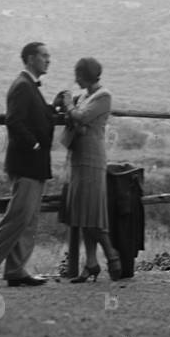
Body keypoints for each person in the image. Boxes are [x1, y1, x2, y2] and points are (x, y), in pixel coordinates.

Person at [0, 42, 56, 288]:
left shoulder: (29, 87)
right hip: (27, 162)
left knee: (29, 219)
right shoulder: (22, 86)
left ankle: (16, 270)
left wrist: (53, 107)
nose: (48, 60)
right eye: (44, 56)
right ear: (30, 59)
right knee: (19, 217)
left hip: (35, 163)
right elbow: (14, 121)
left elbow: (36, 117)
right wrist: (35, 146)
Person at [60, 57, 121, 283]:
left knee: (91, 210)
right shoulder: (84, 96)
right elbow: (77, 121)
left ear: (85, 74)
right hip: (78, 157)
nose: (74, 77)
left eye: (77, 73)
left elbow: (82, 117)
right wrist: (74, 115)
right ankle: (92, 263)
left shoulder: (104, 96)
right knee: (84, 211)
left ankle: (111, 255)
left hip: (92, 158)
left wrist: (70, 107)